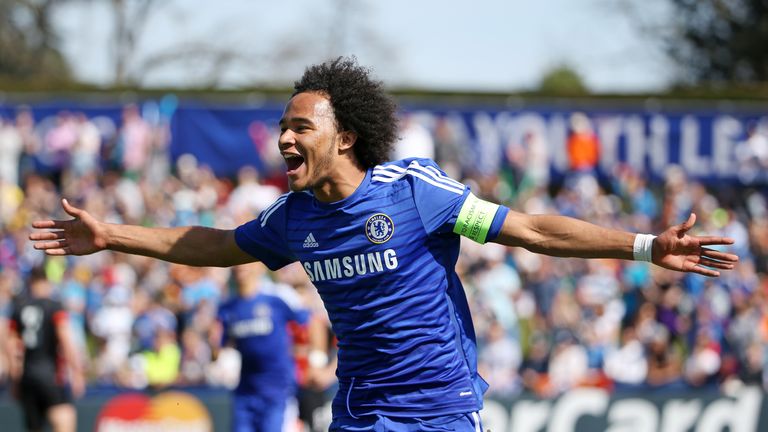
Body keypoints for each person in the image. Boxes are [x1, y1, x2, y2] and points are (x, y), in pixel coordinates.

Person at [29, 57, 739, 431]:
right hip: (360, 413)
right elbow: (215, 244)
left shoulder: (414, 192)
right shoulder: (292, 217)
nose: (284, 138)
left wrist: (642, 245)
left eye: (299, 128)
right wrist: (112, 234)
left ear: (344, 137)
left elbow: (528, 228)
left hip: (439, 410)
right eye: (282, 126)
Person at [209, 261, 312, 432]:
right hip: (246, 391)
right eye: (237, 264)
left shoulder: (276, 299)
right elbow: (216, 354)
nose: (240, 268)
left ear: (259, 267)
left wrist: (313, 357)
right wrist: (213, 341)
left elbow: (309, 321)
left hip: (278, 389)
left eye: (245, 263)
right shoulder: (227, 308)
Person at [6, 265, 85, 432]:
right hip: (51, 376)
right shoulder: (54, 307)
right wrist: (77, 372)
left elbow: (12, 347)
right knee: (65, 421)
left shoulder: (18, 308)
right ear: (47, 282)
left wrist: (15, 380)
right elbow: (66, 340)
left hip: (28, 377)